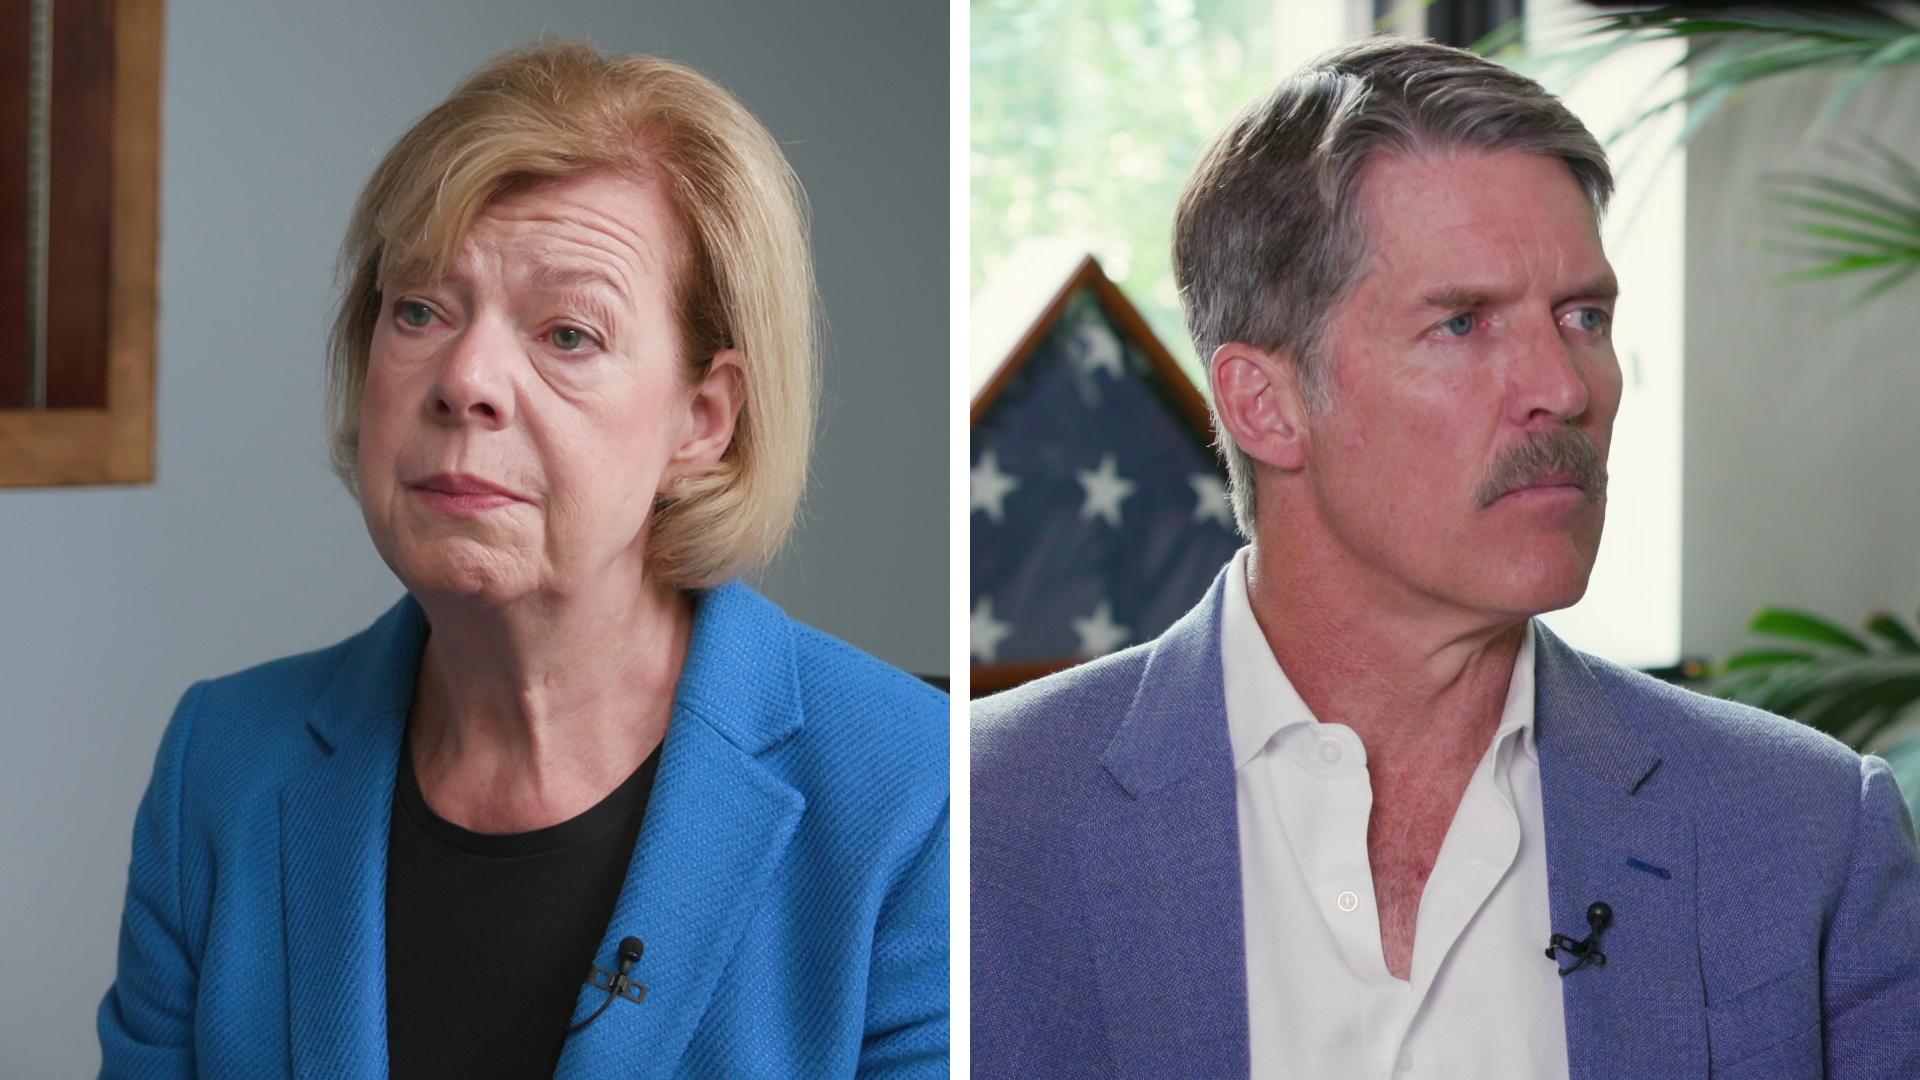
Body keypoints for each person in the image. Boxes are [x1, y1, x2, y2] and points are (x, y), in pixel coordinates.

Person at [972, 37, 1920, 1079]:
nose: (1563, 388)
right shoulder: (984, 817)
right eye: (1463, 323)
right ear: (1266, 404)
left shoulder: (1806, 829)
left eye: (1584, 316)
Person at [99, 42, 947, 1078]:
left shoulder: (916, 792)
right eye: (419, 309)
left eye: (568, 333)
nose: (465, 379)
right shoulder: (220, 766)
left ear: (702, 420)